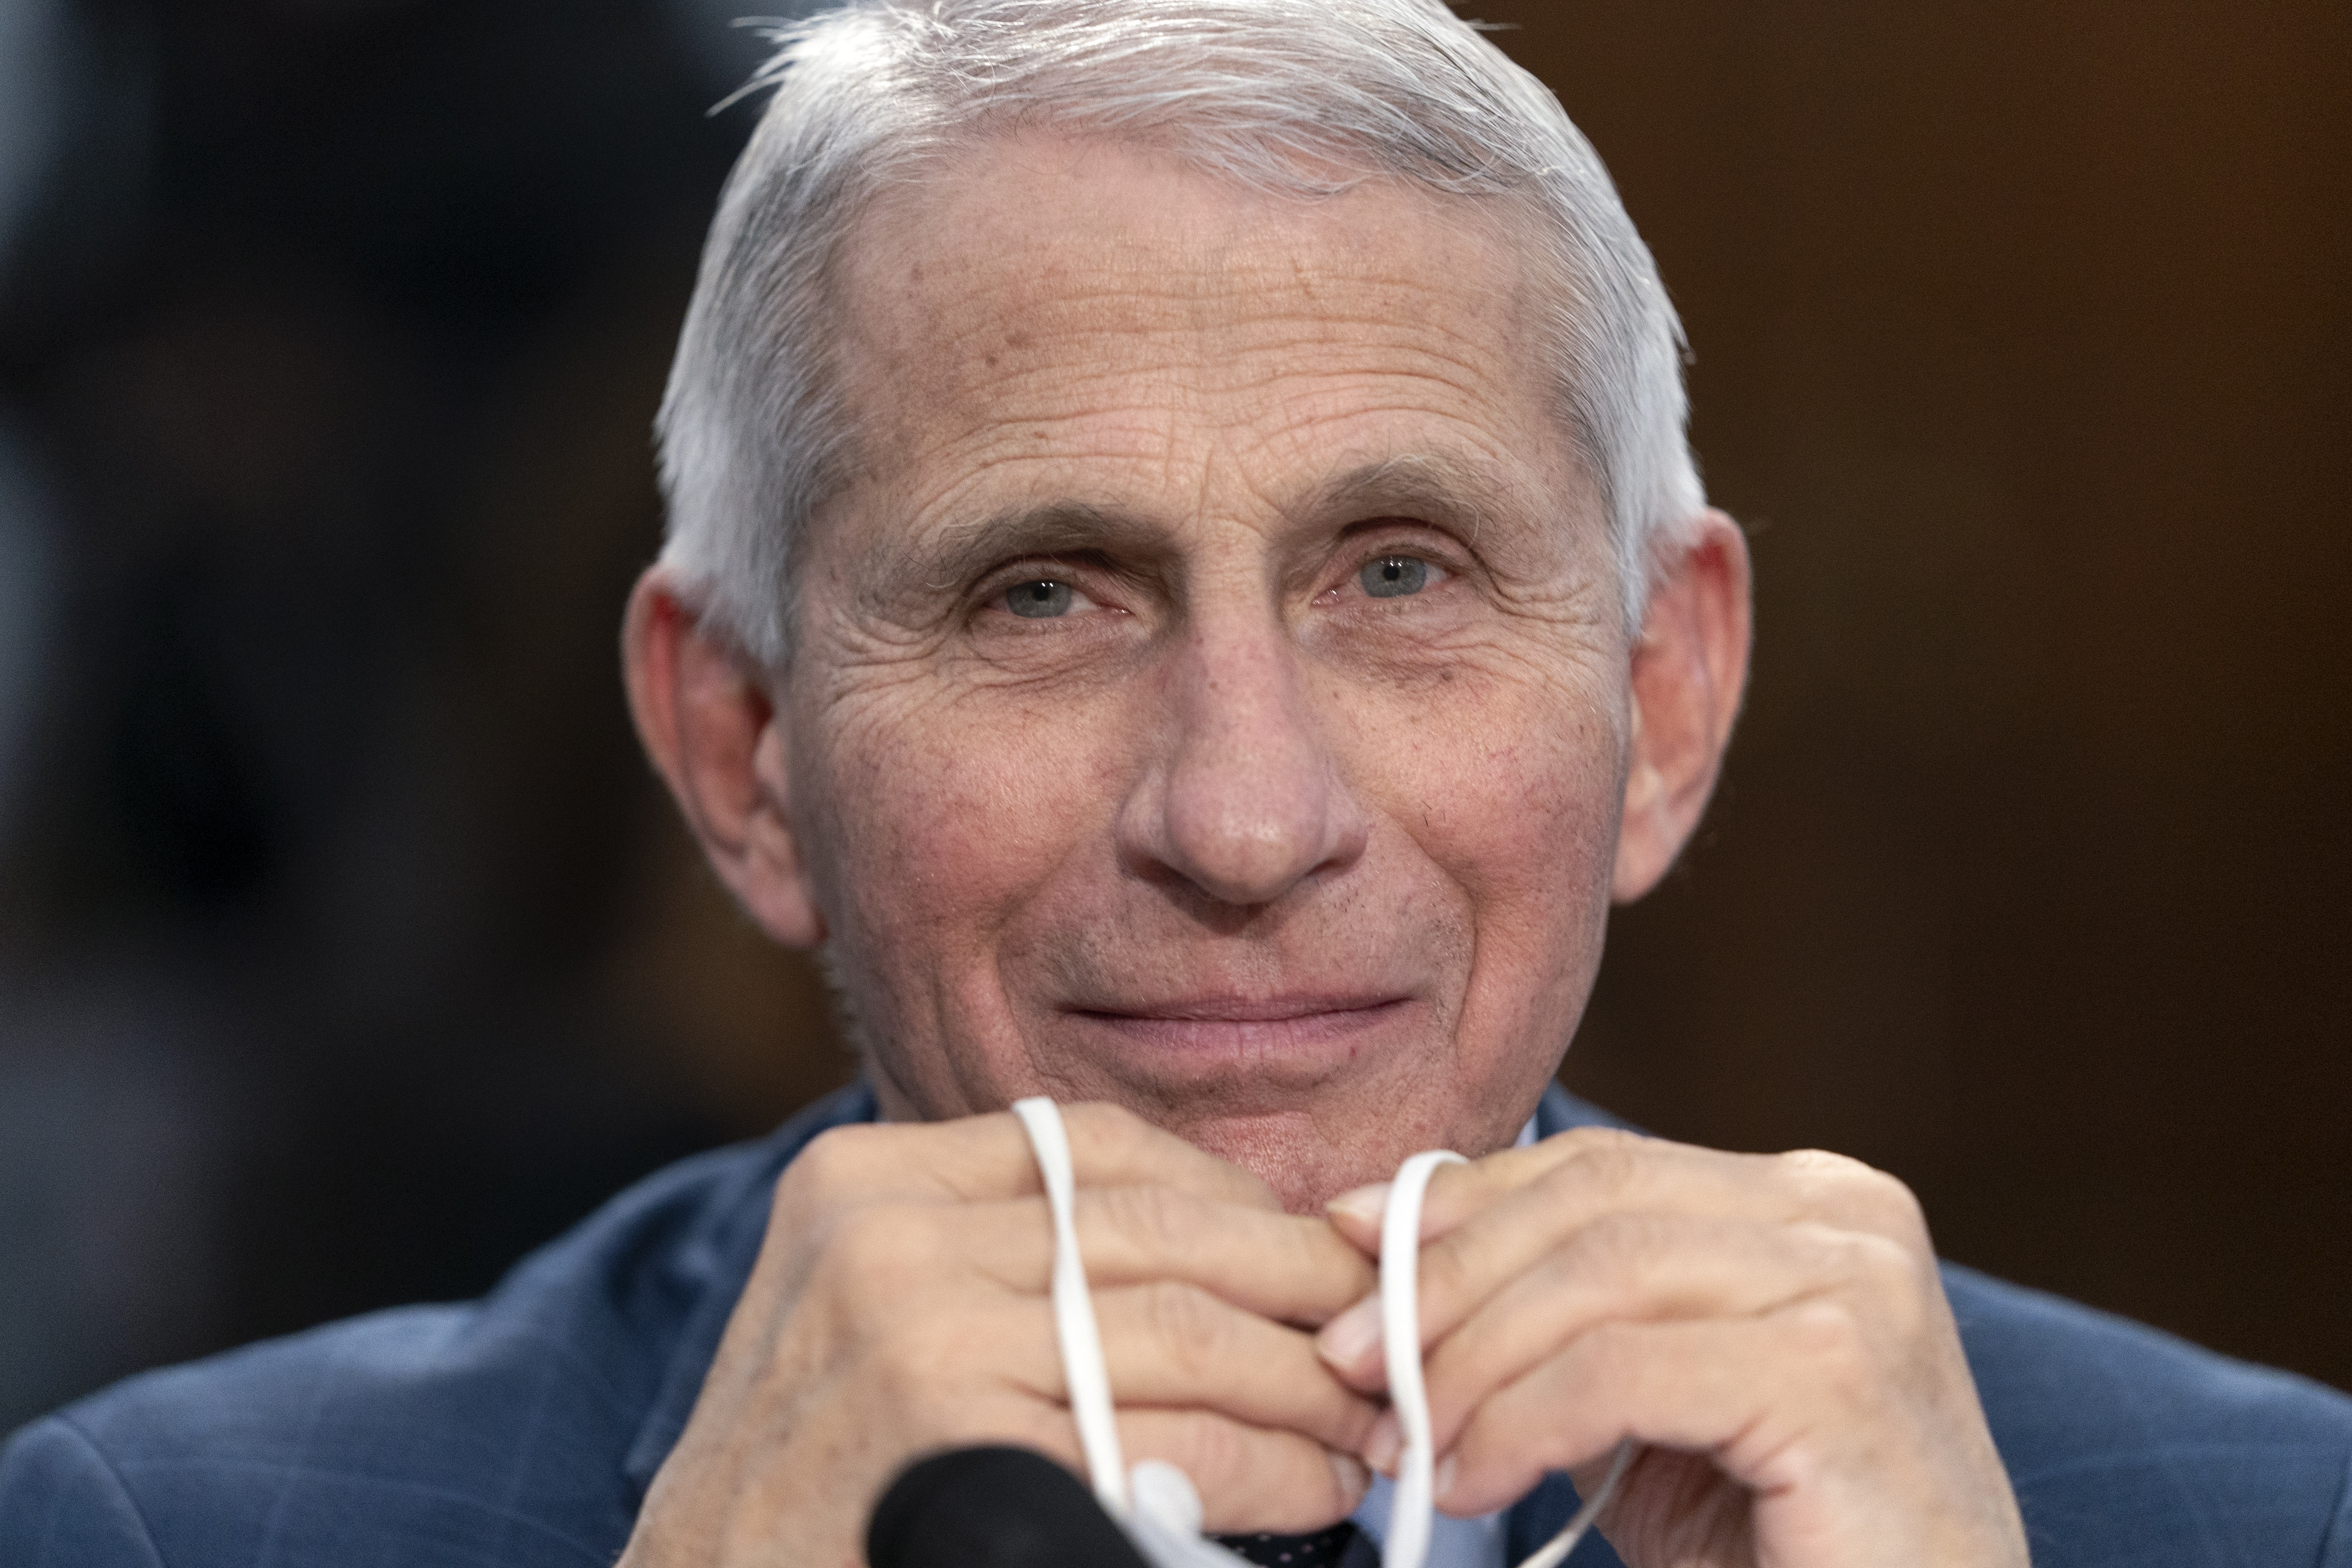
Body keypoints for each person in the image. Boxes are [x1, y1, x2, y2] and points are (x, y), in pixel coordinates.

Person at [4, 2, 2347, 1565]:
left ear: (1658, 702)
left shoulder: (2257, 1525)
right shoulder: (173, 1537)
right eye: (1042, 595)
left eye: (1400, 576)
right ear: (742, 751)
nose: (1240, 823)